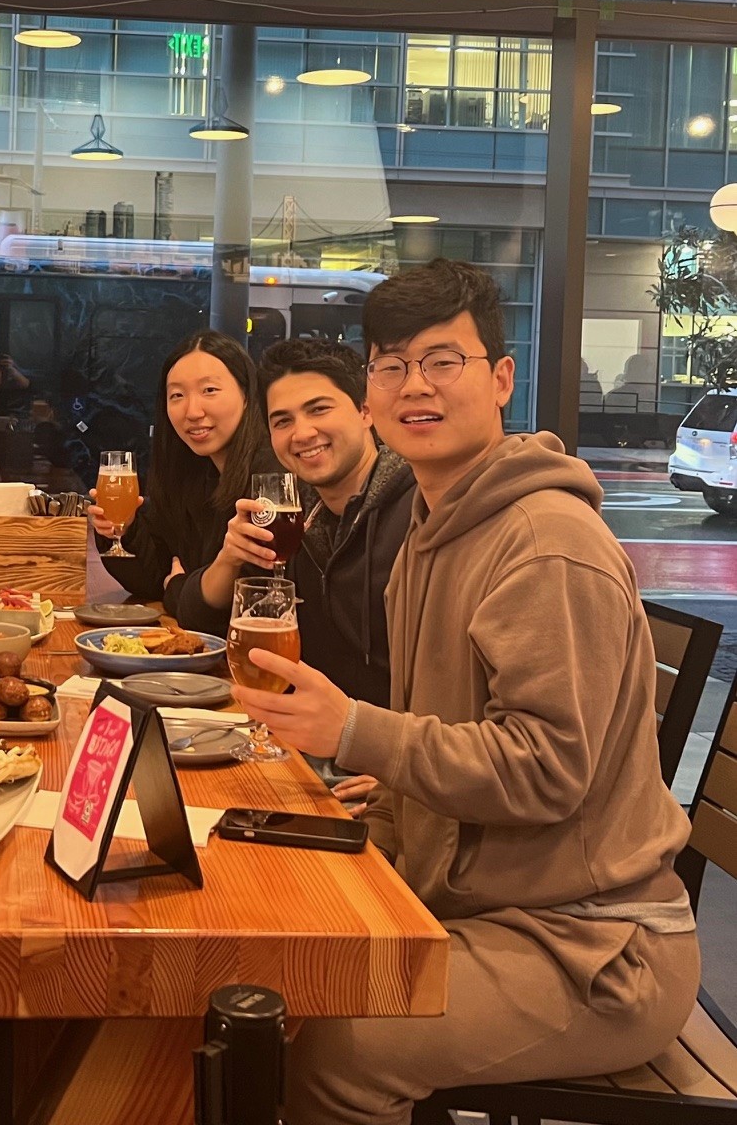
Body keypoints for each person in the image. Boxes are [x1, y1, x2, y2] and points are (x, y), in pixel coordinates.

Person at [233, 260, 701, 1124]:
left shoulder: (545, 543)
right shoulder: (432, 531)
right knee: (260, 951)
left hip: (592, 947)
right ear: (372, 391)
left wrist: (355, 732)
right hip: (488, 901)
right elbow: (443, 735)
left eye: (443, 360)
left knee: (340, 1046)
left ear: (500, 379)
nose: (417, 386)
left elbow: (547, 769)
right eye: (392, 364)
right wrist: (381, 788)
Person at [177, 338, 413, 816]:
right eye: (282, 421)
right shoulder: (295, 518)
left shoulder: (418, 513)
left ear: (366, 411)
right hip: (303, 755)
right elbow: (195, 620)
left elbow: (460, 680)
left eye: (319, 409)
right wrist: (228, 557)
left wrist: (399, 767)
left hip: (380, 776)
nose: (301, 433)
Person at [87, 330, 278, 616]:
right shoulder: (192, 472)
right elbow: (152, 581)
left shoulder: (270, 479)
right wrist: (126, 531)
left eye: (209, 390)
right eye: (177, 395)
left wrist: (178, 588)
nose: (192, 411)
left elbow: (244, 603)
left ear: (247, 394)